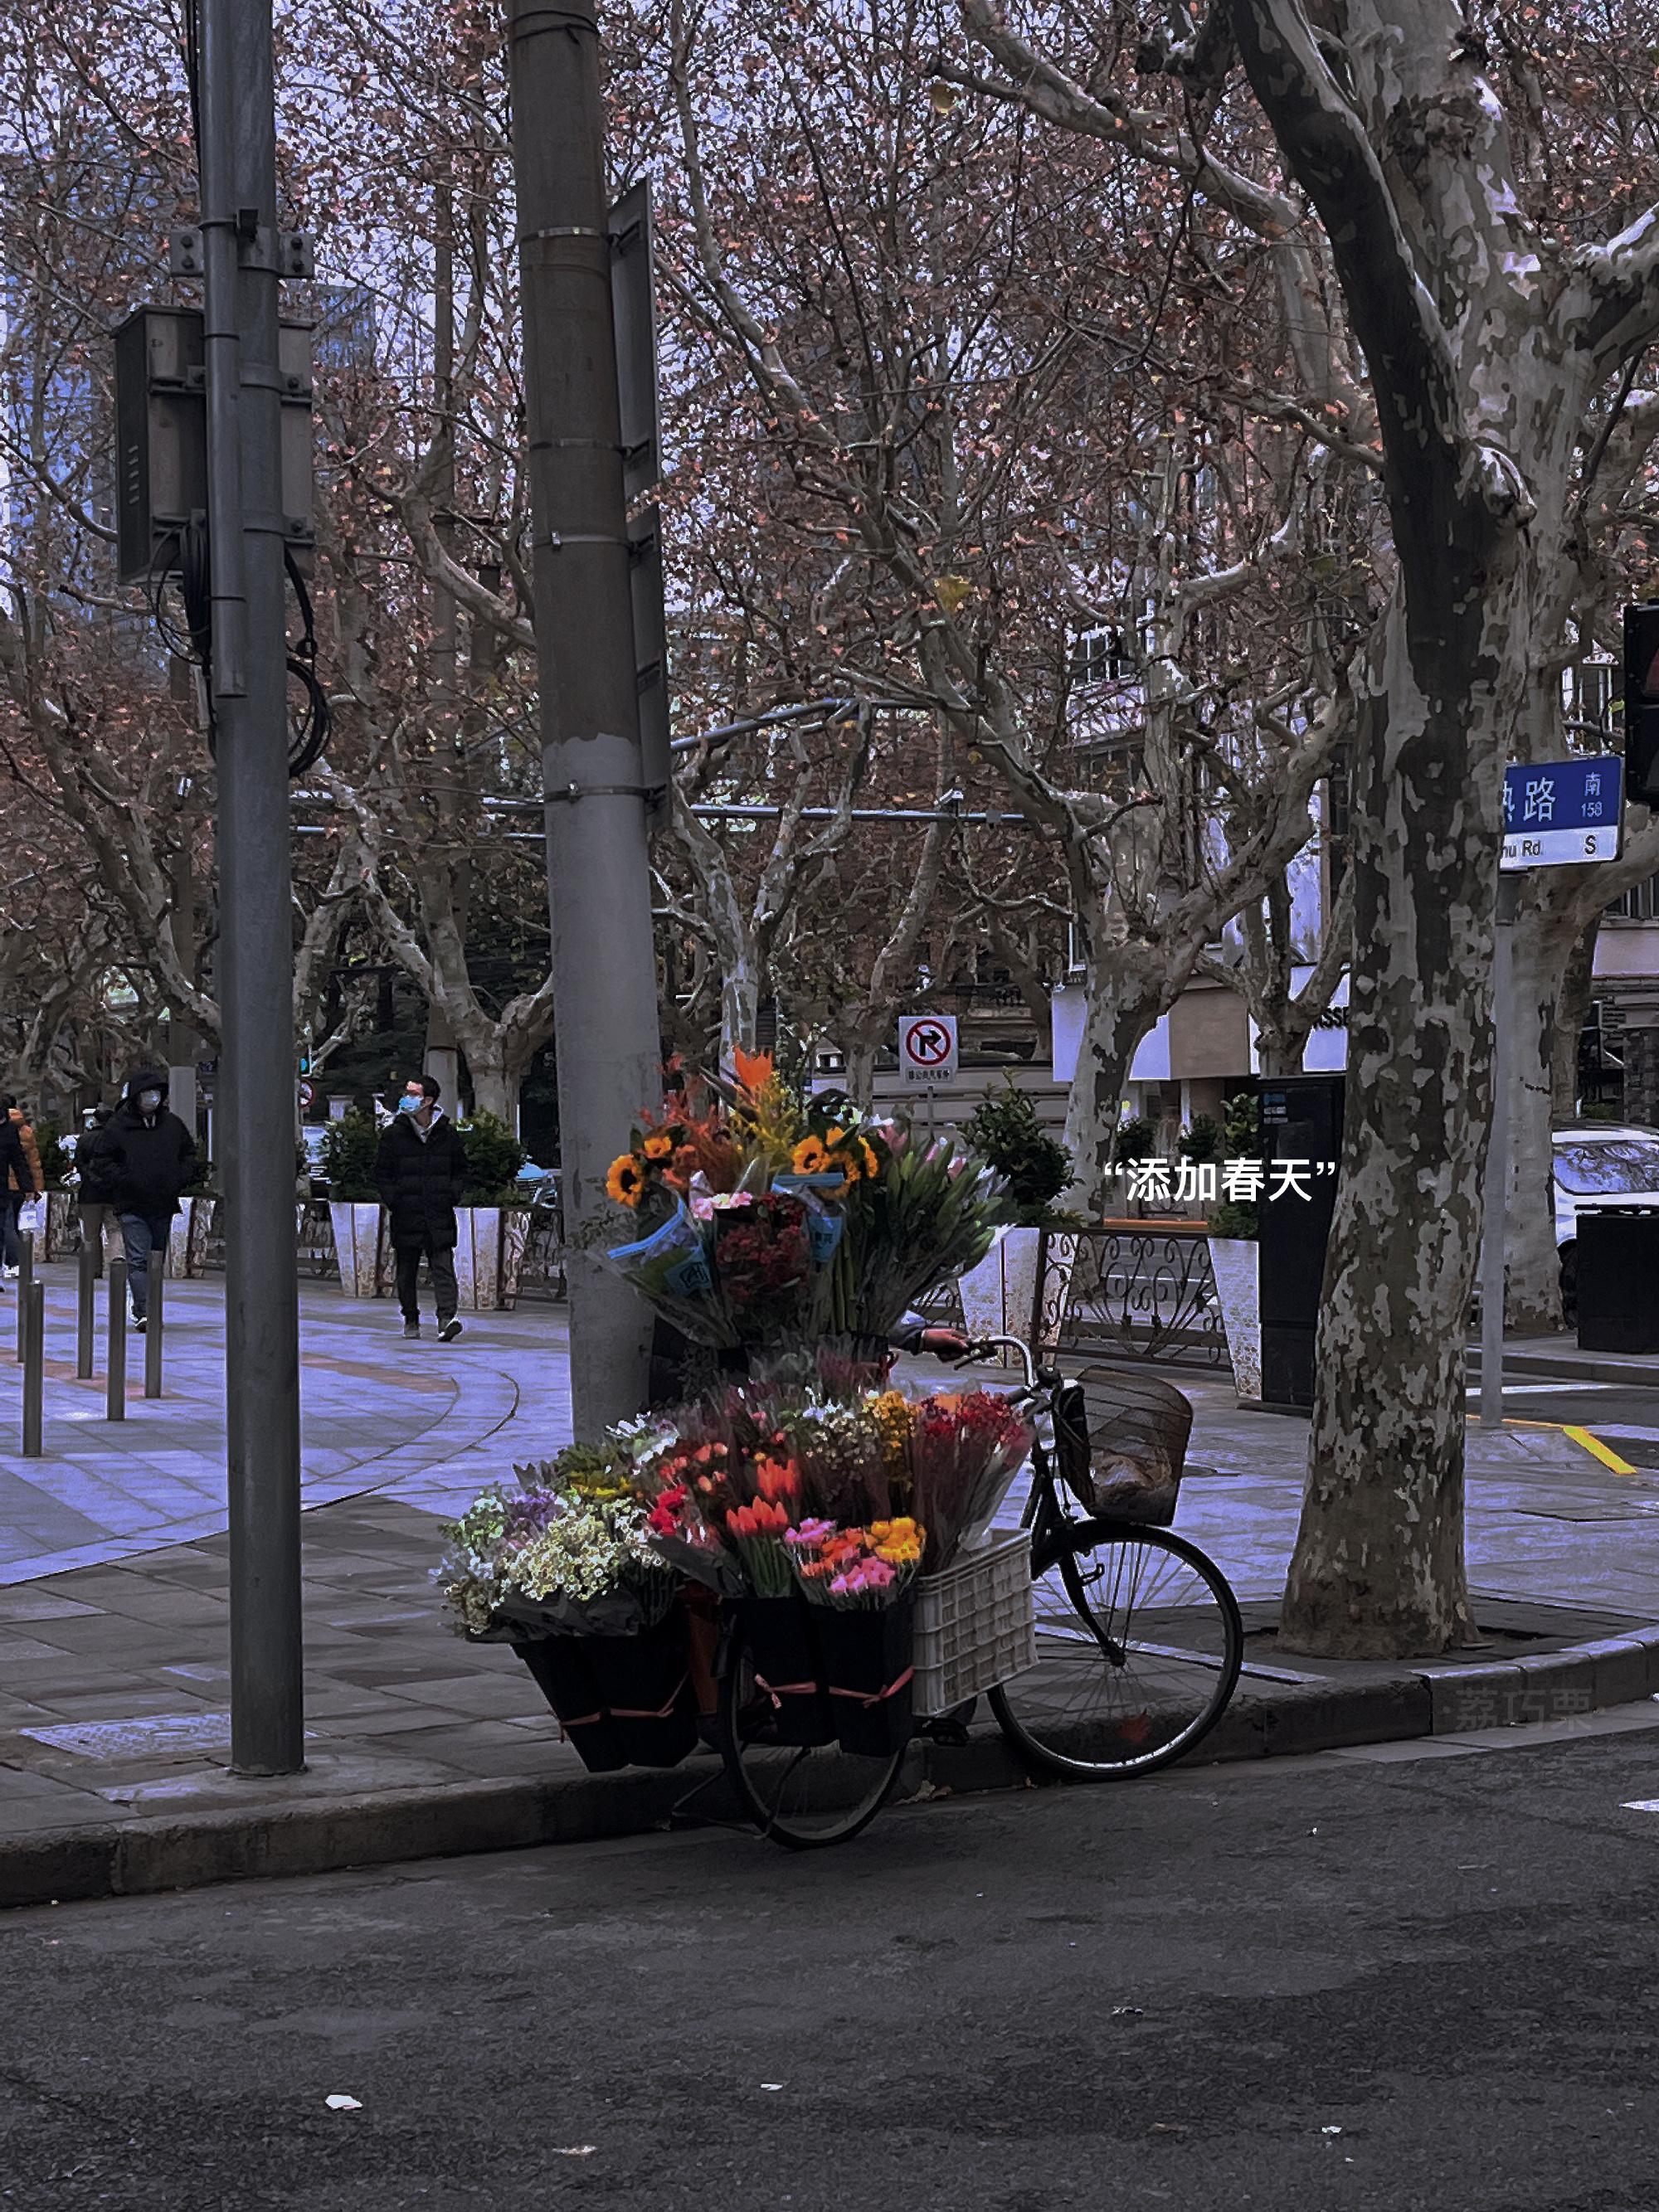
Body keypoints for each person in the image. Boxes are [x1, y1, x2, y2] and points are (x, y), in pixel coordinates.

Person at [375, 1073, 468, 1341]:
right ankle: (411, 1318)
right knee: (407, 1269)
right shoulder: (394, 1135)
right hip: (406, 1212)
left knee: (443, 1267)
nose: (407, 1098)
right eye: (407, 1092)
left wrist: (452, 1194)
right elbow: (382, 1173)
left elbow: (461, 1170)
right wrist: (395, 1199)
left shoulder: (446, 1134)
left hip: (438, 1211)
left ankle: (447, 1318)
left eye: (413, 1094)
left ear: (428, 1100)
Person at [105, 1067, 197, 1332]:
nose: (151, 1099)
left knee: (156, 1258)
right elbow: (103, 1160)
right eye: (146, 1095)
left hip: (162, 1203)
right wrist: (124, 1179)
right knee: (138, 1259)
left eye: (155, 1094)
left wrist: (178, 1178)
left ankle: (152, 1307)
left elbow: (188, 1153)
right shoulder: (118, 1126)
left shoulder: (172, 1125)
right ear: (136, 1097)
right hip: (132, 1204)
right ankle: (143, 1310)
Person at [74, 1104, 121, 1279]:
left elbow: (79, 1163)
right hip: (112, 1193)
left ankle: (94, 1269)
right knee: (114, 1229)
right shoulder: (117, 1140)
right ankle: (116, 1264)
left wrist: (90, 1176)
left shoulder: (85, 1139)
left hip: (90, 1194)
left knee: (91, 1234)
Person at [0, 1094, 44, 1280]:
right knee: (8, 1227)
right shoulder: (25, 1131)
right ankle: (13, 1262)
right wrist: (33, 1186)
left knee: (5, 1227)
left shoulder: (9, 1130)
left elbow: (19, 1160)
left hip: (5, 1187)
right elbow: (30, 1161)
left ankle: (11, 1263)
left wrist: (29, 1187)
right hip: (12, 1186)